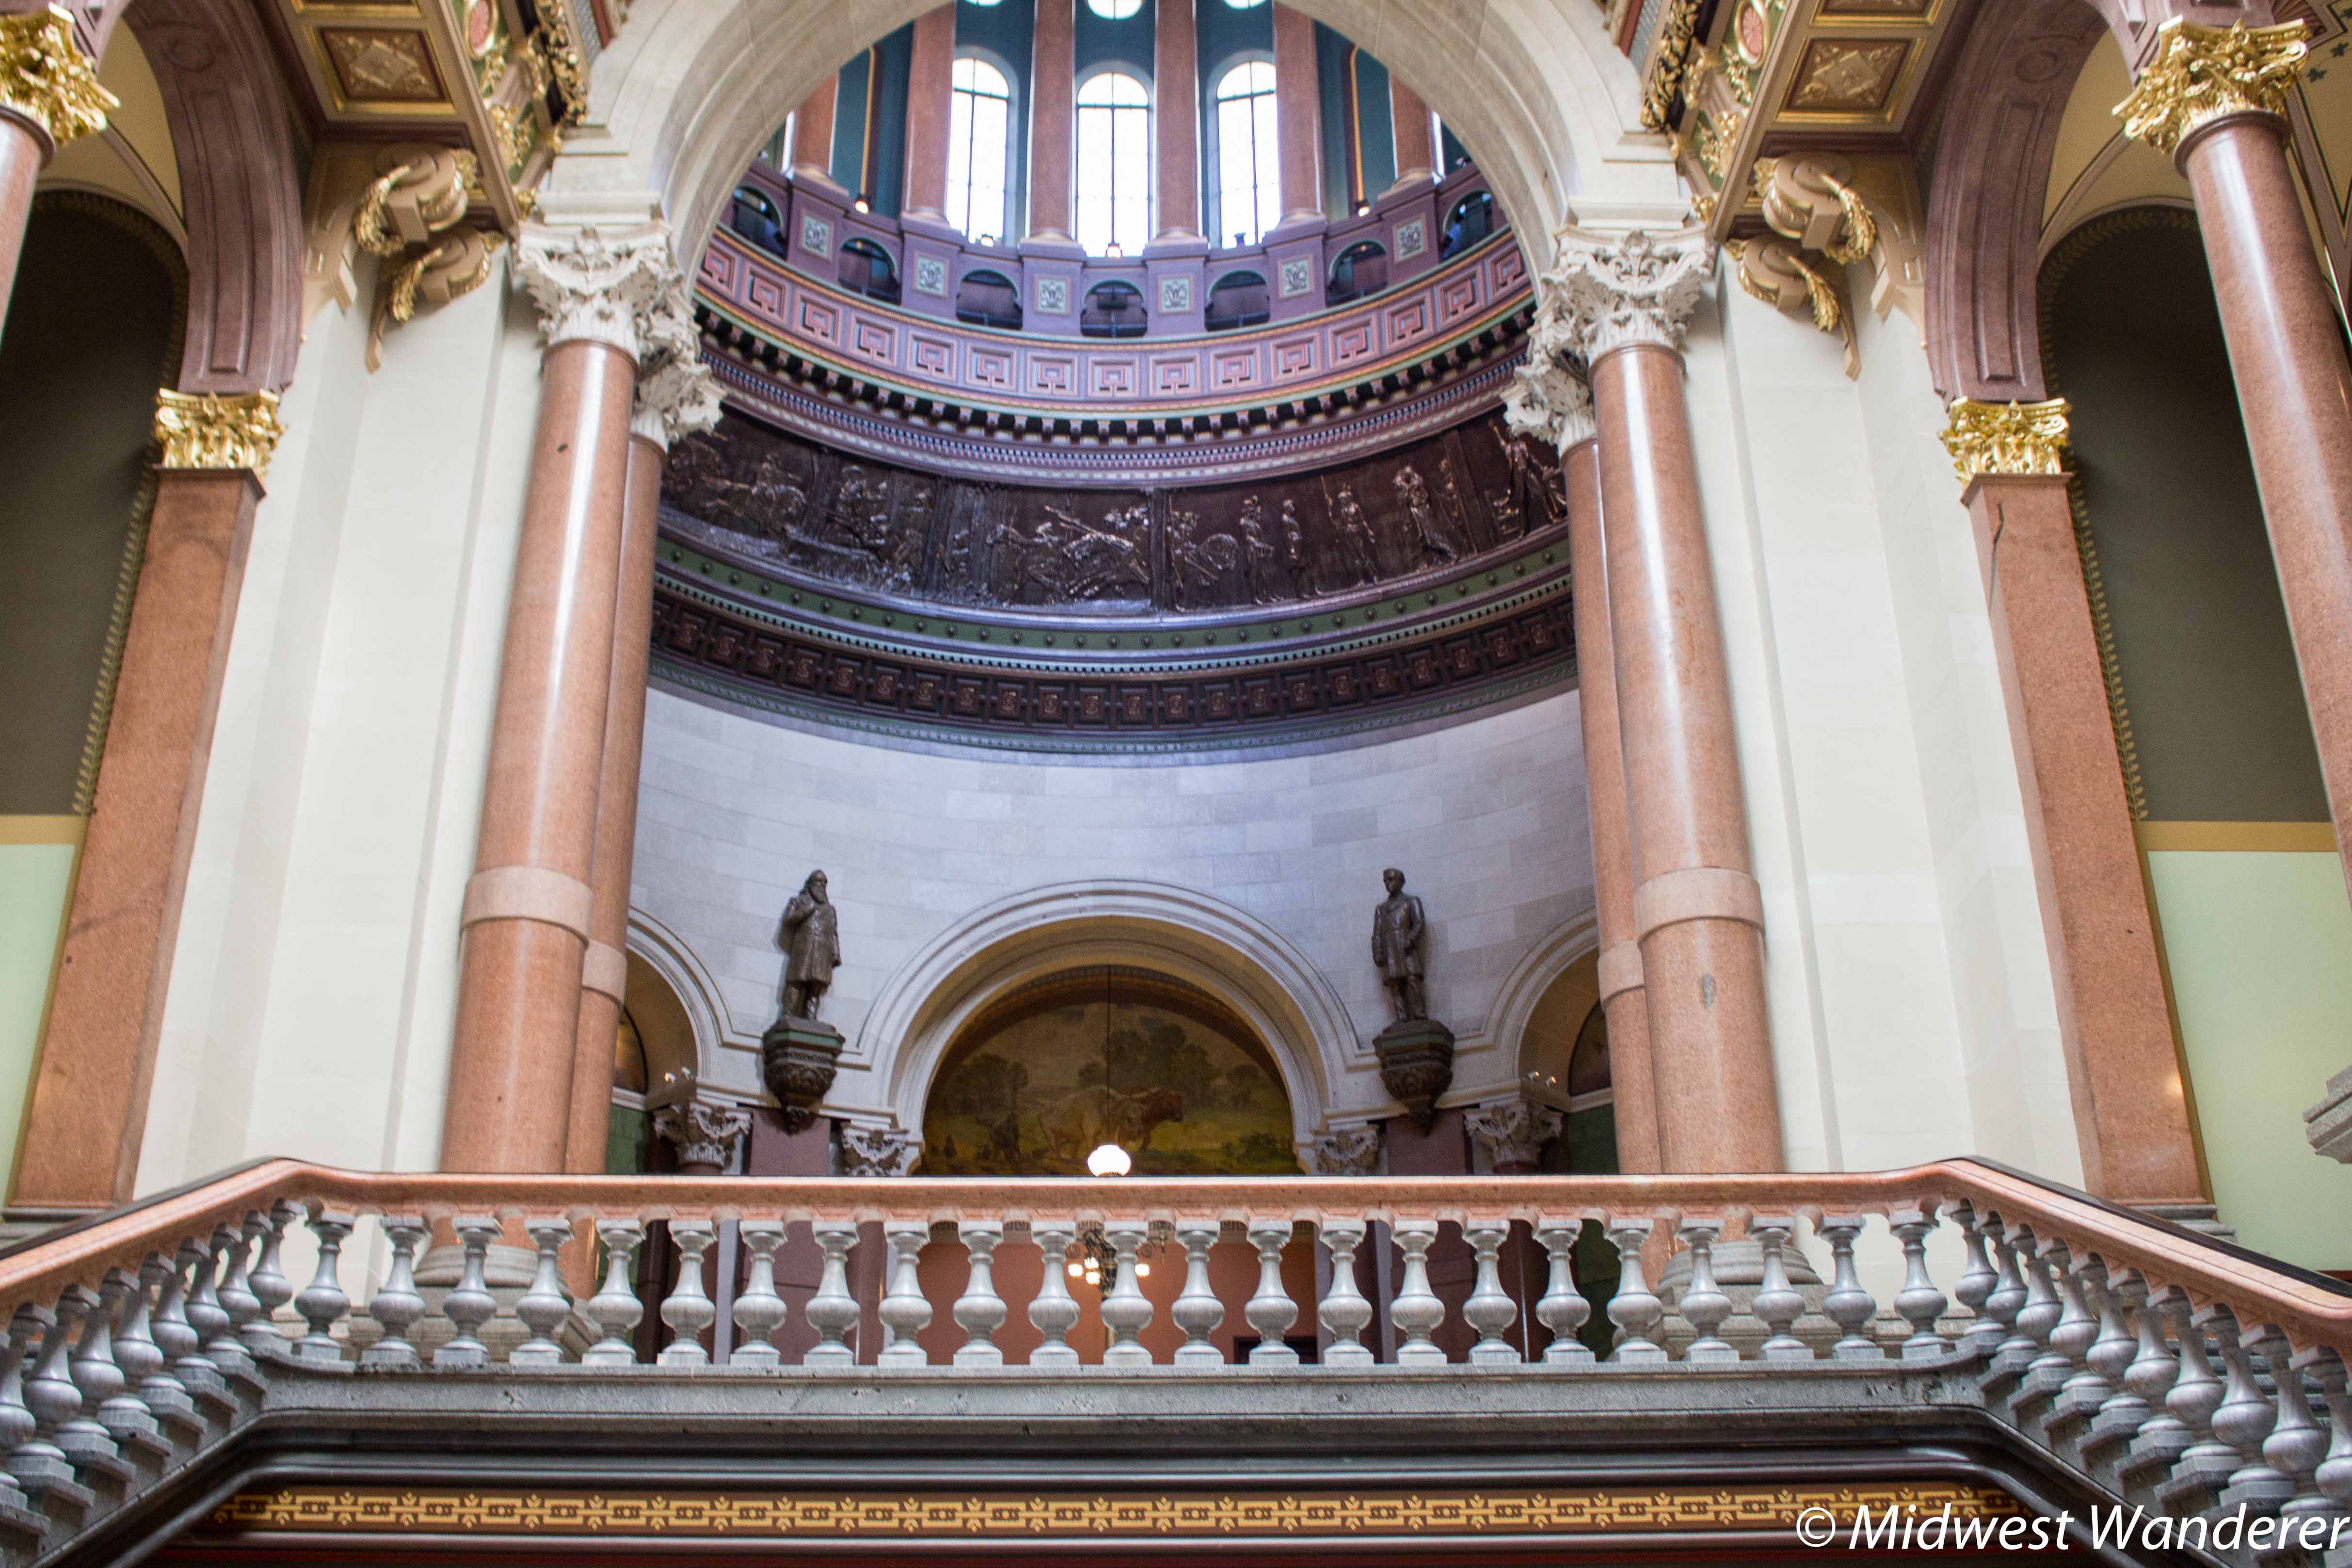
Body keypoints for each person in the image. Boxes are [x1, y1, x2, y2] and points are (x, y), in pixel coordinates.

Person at [777, 870, 841, 1020]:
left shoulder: (830, 909)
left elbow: (833, 933)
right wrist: (805, 912)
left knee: (816, 986)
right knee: (796, 981)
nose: (821, 886)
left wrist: (837, 954)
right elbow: (788, 919)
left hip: (822, 951)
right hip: (803, 948)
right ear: (811, 884)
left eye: (824, 883)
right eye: (819, 882)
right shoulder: (798, 901)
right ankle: (788, 1014)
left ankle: (811, 1017)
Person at [1370, 867, 1428, 1022]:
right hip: (1390, 950)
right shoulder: (1381, 909)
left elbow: (1419, 923)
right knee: (1395, 985)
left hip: (1405, 947)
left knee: (1412, 980)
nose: (1387, 883)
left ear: (1401, 881)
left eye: (1391, 879)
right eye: (1385, 881)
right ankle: (1401, 1018)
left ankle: (1420, 1014)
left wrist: (1411, 939)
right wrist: (1377, 953)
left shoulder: (1411, 901)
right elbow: (1376, 934)